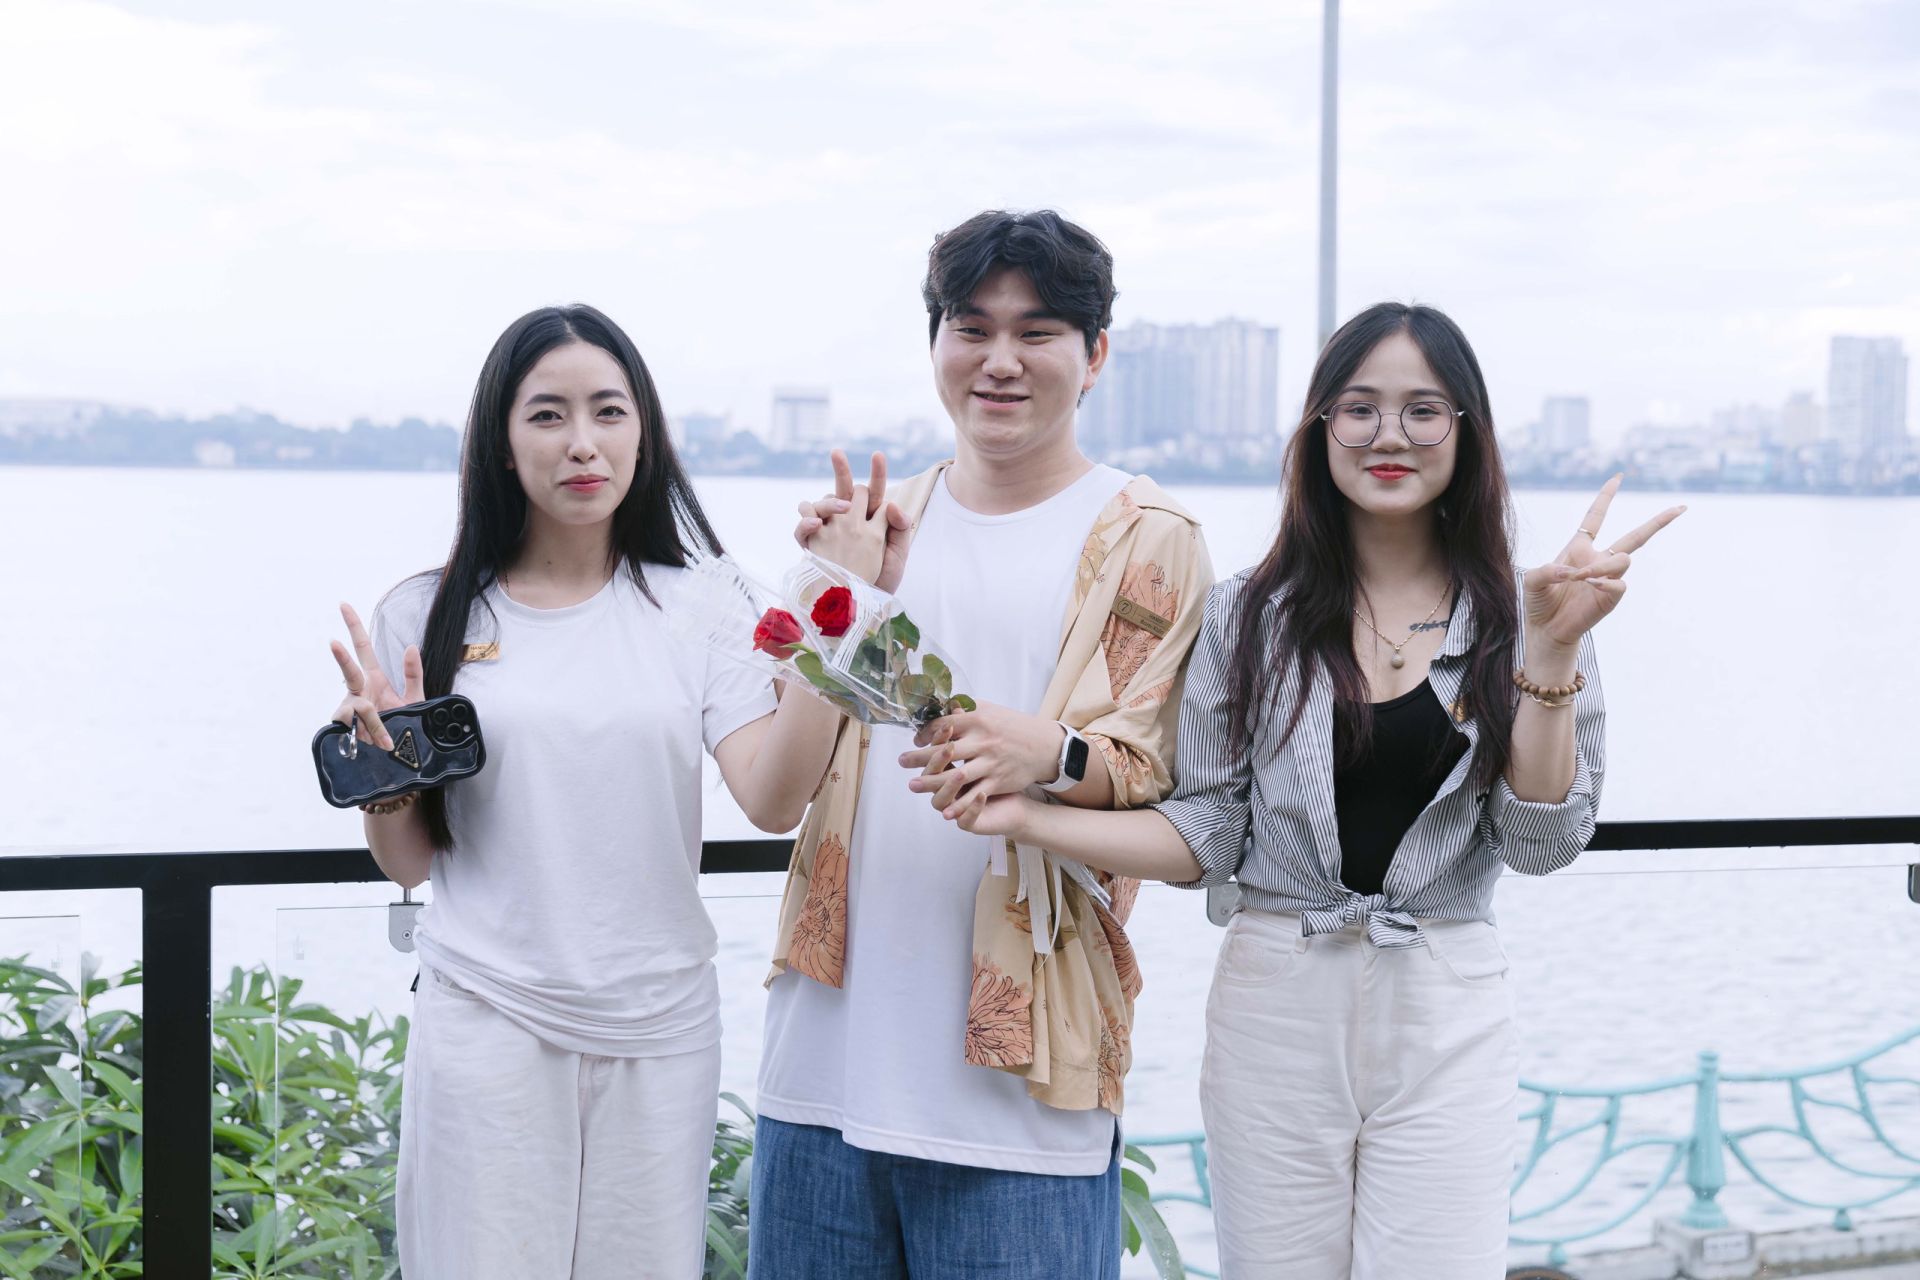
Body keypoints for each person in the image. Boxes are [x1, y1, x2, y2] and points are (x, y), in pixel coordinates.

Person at [949, 302, 1684, 1279]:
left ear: (1467, 433)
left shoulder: (1532, 610)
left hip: (1447, 997)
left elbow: (1542, 839)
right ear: (1319, 430)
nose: (1390, 434)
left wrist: (1550, 649)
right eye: (1360, 407)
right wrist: (1028, 814)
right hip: (1274, 990)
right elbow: (1206, 829)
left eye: (1425, 409)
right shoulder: (1246, 616)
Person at [324, 304, 892, 1280]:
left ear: (645, 431)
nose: (582, 442)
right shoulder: (425, 612)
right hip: (486, 1016)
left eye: (608, 411)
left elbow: (772, 795)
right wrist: (383, 772)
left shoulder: (707, 600)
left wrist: (839, 612)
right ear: (502, 444)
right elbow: (411, 860)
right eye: (547, 414)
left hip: (661, 1029)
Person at [746, 210, 1216, 1279]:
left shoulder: (1149, 538)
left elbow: (1165, 781)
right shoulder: (874, 523)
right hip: (824, 1068)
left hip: (1022, 1095)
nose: (1000, 360)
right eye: (972, 326)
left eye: (1038, 331)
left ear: (1094, 355)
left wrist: (1049, 751)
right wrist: (843, 593)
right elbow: (781, 784)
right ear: (937, 343)